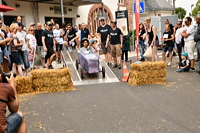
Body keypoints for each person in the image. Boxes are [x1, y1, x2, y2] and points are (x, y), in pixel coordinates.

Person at [0, 66, 27, 133]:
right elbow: (14, 109)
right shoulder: (5, 87)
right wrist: (12, 85)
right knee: (20, 115)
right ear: (1, 76)